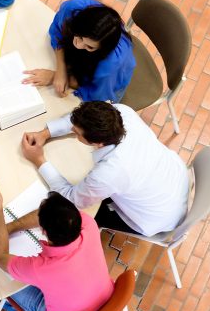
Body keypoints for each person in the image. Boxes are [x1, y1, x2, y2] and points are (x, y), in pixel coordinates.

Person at [21, 101, 189, 237]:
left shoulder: (109, 173)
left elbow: (71, 199)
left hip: (157, 215)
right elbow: (77, 120)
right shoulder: (121, 112)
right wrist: (45, 133)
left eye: (77, 134)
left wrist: (39, 160)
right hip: (173, 179)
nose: (72, 131)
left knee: (74, 220)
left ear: (97, 143)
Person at [0, 179, 113, 311]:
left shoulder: (42, 268)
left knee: (3, 284)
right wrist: (8, 228)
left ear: (44, 231)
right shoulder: (87, 223)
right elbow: (50, 215)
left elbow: (0, 256)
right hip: (103, 297)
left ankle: (8, 307)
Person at [23, 0, 135, 102]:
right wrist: (61, 70)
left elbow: (96, 94)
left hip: (106, 84)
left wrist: (54, 76)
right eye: (80, 36)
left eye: (89, 46)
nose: (78, 45)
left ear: (101, 49)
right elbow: (57, 31)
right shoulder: (73, 9)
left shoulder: (111, 64)